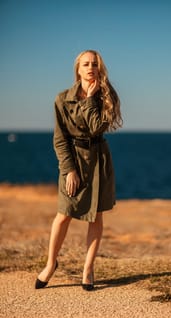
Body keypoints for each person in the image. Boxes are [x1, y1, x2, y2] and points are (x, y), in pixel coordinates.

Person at [35, 50, 122, 291]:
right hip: (73, 160)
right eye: (86, 64)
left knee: (96, 216)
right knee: (64, 213)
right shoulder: (62, 99)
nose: (90, 67)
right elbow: (60, 139)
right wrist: (69, 170)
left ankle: (88, 269)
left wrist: (91, 100)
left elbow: (96, 128)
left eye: (95, 64)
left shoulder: (107, 96)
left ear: (100, 68)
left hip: (98, 160)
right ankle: (51, 263)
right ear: (78, 69)